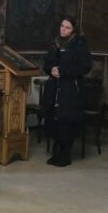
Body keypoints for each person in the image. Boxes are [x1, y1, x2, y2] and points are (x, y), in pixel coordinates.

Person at [40, 16, 93, 167]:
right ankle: (56, 152)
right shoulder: (55, 43)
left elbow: (85, 67)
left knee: (66, 123)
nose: (63, 29)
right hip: (54, 88)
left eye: (67, 27)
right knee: (53, 120)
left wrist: (63, 71)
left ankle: (64, 154)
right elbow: (47, 63)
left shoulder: (79, 45)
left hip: (70, 90)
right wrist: (51, 69)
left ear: (73, 30)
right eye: (62, 26)